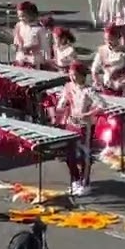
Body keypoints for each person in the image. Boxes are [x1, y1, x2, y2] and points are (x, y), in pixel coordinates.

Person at [53, 61, 104, 197]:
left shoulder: (89, 90)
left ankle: (85, 183)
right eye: (71, 75)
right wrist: (59, 109)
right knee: (69, 155)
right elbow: (62, 103)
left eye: (75, 75)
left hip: (84, 126)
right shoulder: (68, 87)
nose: (73, 78)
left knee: (84, 155)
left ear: (82, 76)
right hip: (71, 124)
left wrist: (87, 114)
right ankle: (75, 179)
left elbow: (101, 105)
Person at [91, 24, 125, 95]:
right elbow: (94, 69)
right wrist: (97, 81)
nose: (108, 42)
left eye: (111, 39)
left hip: (121, 86)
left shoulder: (124, 51)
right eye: (106, 40)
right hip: (106, 86)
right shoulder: (102, 51)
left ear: (117, 38)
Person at [12, 1, 46, 68]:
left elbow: (44, 47)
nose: (21, 19)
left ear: (31, 15)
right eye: (19, 16)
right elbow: (16, 41)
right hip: (20, 59)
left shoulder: (39, 29)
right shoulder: (19, 26)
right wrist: (15, 46)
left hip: (33, 61)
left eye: (23, 16)